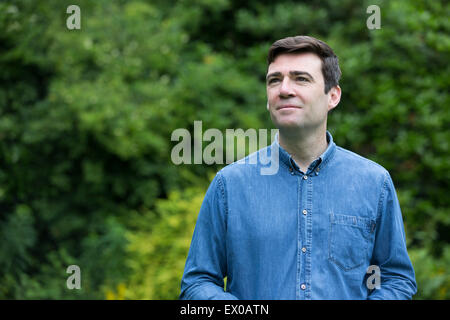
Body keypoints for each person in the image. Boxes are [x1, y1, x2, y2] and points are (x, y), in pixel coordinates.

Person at [179, 35, 417, 300]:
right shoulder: (230, 185)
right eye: (274, 80)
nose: (284, 90)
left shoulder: (374, 183)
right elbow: (198, 282)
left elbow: (396, 279)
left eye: (301, 78)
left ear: (333, 96)